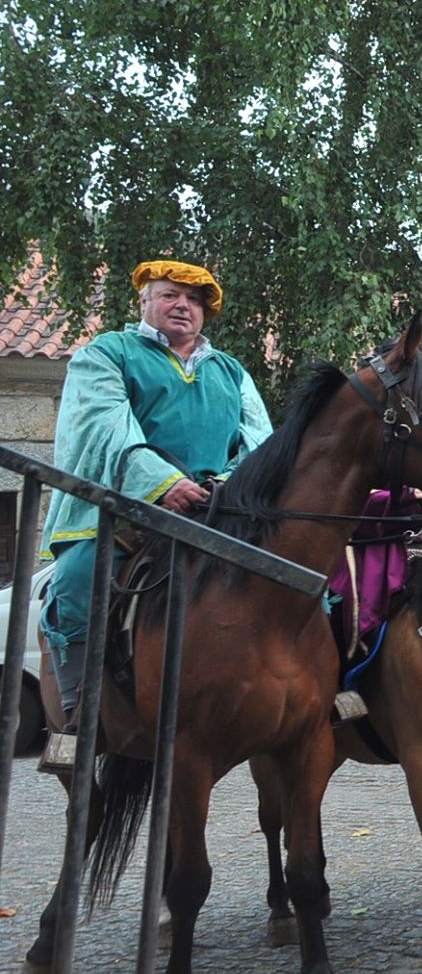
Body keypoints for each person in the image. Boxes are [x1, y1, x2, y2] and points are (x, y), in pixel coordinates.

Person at [38, 260, 274, 773]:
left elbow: (260, 441)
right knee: (76, 581)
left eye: (194, 300)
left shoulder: (230, 370)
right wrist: (161, 485)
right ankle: (81, 716)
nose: (182, 306)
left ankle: (321, 692)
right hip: (124, 511)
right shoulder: (106, 355)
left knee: (301, 576)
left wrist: (228, 486)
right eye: (169, 295)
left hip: (218, 511)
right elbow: (104, 428)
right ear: (144, 302)